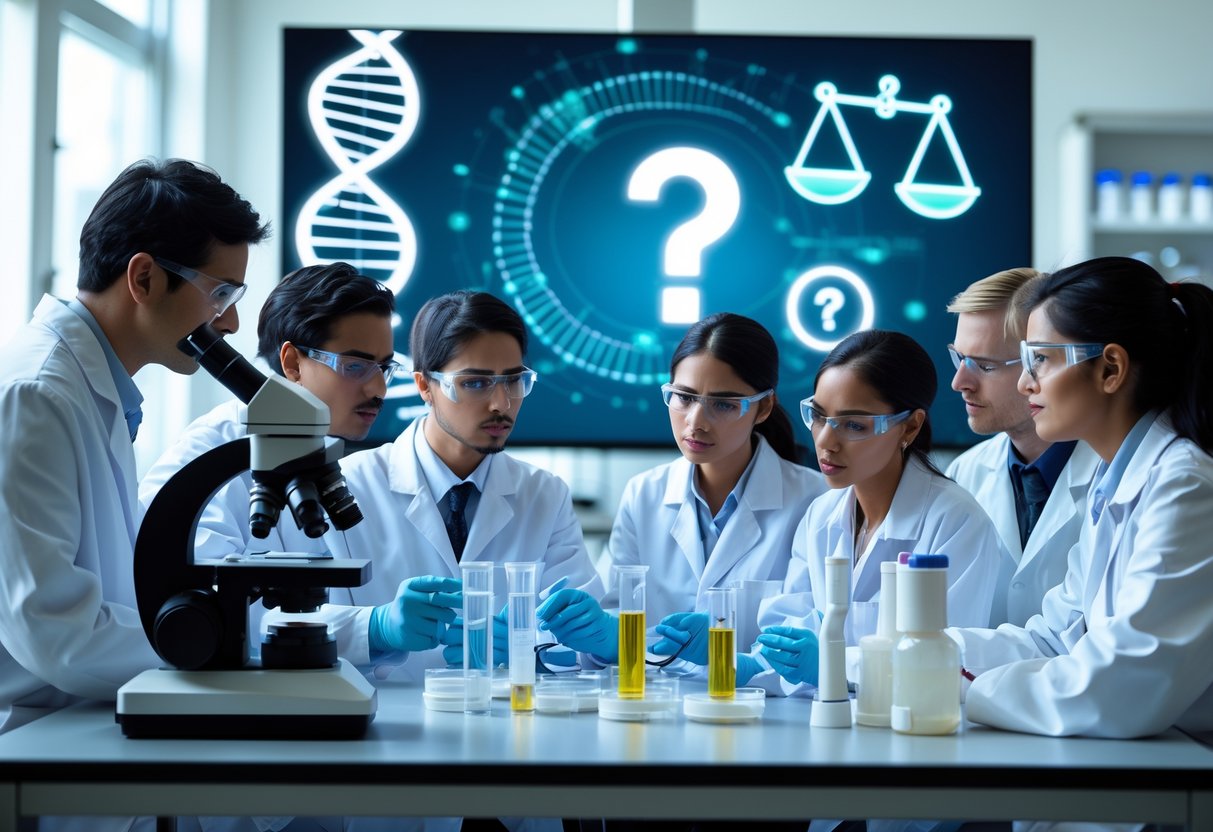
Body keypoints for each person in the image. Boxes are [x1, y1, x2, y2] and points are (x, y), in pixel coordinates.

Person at [0, 158, 268, 736]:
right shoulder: (36, 394)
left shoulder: (94, 390)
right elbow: (55, 629)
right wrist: (225, 654)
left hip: (84, 720)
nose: (232, 323)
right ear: (143, 278)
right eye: (220, 293)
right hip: (35, 735)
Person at [955, 256, 1213, 739]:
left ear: (1110, 368)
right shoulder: (1115, 479)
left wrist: (967, 687)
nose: (1024, 382)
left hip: (1182, 776)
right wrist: (929, 652)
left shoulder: (1187, 487)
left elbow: (1126, 685)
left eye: (1041, 360)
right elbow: (1057, 638)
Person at [311, 290, 603, 681]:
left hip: (508, 729)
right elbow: (287, 625)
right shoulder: (346, 485)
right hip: (383, 727)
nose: (501, 403)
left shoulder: (544, 494)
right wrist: (377, 627)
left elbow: (585, 637)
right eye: (476, 384)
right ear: (424, 386)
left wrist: (527, 645)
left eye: (514, 381)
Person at [536, 312, 827, 670]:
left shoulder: (815, 501)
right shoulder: (644, 494)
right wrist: (603, 637)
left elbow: (800, 648)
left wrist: (735, 660)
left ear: (764, 407)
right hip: (659, 712)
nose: (696, 422)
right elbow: (616, 618)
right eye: (683, 397)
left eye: (723, 404)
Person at [752, 329, 1003, 693]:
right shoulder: (821, 515)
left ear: (911, 426)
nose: (825, 442)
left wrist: (837, 663)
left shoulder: (956, 522)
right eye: (819, 416)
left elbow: (945, 664)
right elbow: (792, 627)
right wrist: (744, 661)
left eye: (854, 425)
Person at [139, 261, 398, 559]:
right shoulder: (208, 452)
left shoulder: (347, 463)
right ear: (293, 363)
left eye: (384, 368)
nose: (378, 390)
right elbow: (199, 589)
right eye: (355, 366)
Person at [945, 268, 1100, 626]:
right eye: (959, 358)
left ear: (1040, 361)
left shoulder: (1111, 474)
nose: (959, 382)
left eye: (983, 365)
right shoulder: (963, 475)